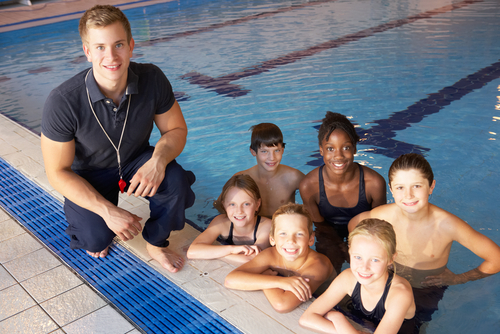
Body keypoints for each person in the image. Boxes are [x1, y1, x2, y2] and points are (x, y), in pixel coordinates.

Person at [40, 5, 195, 273]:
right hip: (90, 174)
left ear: (131, 45)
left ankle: (156, 242)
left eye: (118, 44)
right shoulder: (63, 101)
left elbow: (176, 131)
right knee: (96, 240)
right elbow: (57, 173)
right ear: (87, 51)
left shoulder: (151, 79)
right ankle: (97, 221)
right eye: (100, 47)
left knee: (176, 181)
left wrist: (158, 161)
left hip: (136, 160)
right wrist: (106, 211)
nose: (111, 56)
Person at [348, 153, 500, 325]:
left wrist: (460, 278)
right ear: (391, 189)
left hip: (425, 291)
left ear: (431, 186)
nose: (409, 195)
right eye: (400, 188)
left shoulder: (448, 225)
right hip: (385, 280)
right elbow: (354, 225)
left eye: (417, 186)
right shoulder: (383, 215)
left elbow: (496, 259)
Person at [299, 112, 386, 273]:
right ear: (321, 151)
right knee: (329, 269)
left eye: (345, 147)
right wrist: (341, 246)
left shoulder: (374, 183)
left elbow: (378, 226)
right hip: (328, 233)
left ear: (354, 148)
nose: (338, 156)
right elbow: (320, 225)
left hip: (365, 232)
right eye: (330, 148)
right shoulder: (309, 186)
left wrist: (355, 247)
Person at [300, 218, 416, 334]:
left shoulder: (399, 294)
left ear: (391, 259)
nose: (364, 267)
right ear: (349, 252)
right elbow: (306, 319)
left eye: (375, 260)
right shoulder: (348, 278)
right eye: (358, 257)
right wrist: (346, 326)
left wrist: (339, 320)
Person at [224, 203, 334, 313]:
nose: (291, 240)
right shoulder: (271, 255)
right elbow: (230, 280)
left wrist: (265, 275)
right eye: (283, 233)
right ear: (272, 239)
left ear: (311, 239)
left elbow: (282, 304)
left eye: (299, 234)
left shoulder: (318, 265)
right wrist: (280, 282)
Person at [187, 175, 272, 264]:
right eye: (232, 204)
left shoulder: (267, 226)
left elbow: (251, 259)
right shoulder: (221, 223)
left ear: (257, 204)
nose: (239, 211)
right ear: (224, 205)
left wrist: (215, 254)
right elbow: (192, 251)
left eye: (246, 204)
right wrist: (232, 249)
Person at [233, 123, 304, 218]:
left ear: (282, 150)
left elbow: (317, 197)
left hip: (284, 227)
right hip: (256, 228)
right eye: (264, 151)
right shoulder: (241, 179)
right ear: (253, 151)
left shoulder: (293, 177)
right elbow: (220, 205)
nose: (272, 158)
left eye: (277, 150)